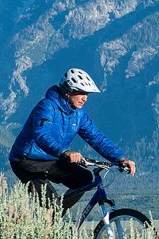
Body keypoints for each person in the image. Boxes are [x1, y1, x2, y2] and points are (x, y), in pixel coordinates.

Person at [9, 68, 137, 209]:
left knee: (85, 179)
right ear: (68, 91)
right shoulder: (47, 106)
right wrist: (65, 152)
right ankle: (48, 219)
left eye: (87, 94)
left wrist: (120, 158)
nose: (85, 98)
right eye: (81, 92)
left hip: (52, 159)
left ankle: (55, 219)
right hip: (27, 161)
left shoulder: (78, 114)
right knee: (51, 205)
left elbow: (96, 137)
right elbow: (41, 135)